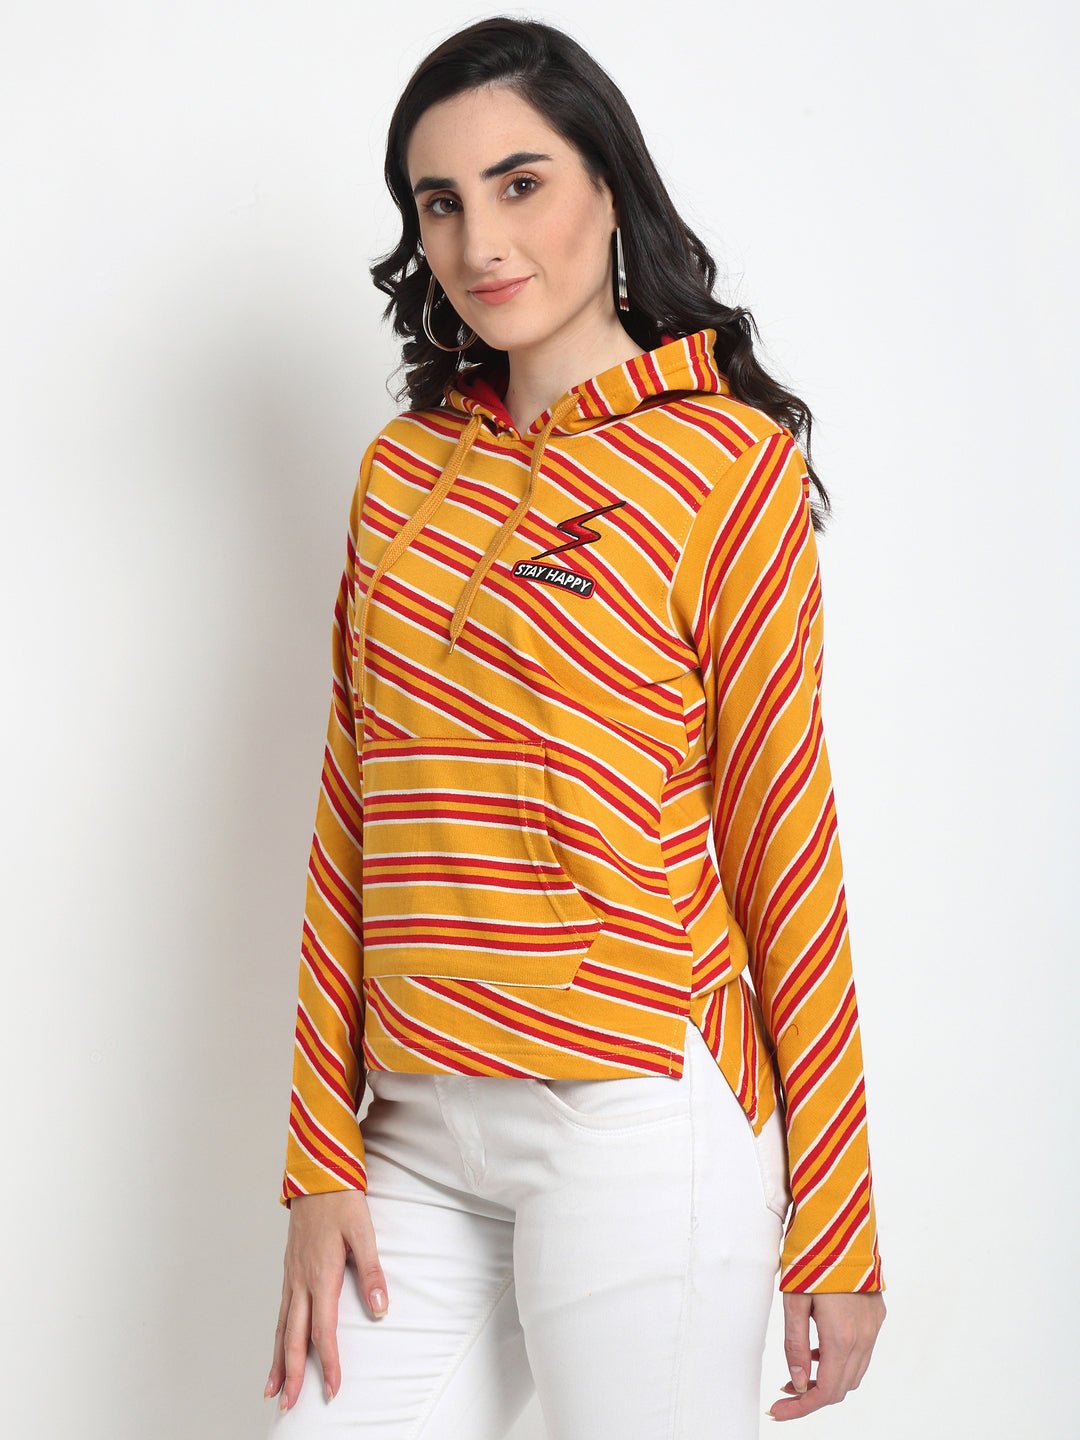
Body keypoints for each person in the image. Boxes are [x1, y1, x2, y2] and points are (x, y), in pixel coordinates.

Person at [264, 16, 886, 1438]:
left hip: (635, 1113)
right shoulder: (401, 473)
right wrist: (317, 1155)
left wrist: (839, 1218)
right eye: (440, 201)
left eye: (520, 183)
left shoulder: (725, 467)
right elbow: (352, 812)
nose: (480, 240)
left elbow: (785, 835)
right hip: (414, 1126)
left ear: (609, 184)